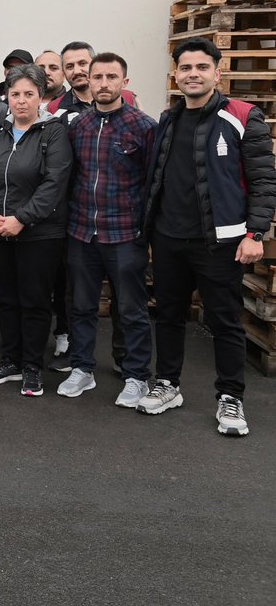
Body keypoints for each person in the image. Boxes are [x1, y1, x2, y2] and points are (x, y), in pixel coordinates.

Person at [139, 37, 276, 436]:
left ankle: (230, 398)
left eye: (201, 67)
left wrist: (255, 233)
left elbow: (264, 179)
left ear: (217, 72)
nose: (193, 74)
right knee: (168, 315)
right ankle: (168, 384)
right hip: (168, 238)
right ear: (176, 75)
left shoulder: (242, 115)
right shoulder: (168, 119)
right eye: (185, 68)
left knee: (224, 321)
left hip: (222, 242)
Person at [56, 53, 157, 407]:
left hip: (125, 234)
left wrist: (146, 232)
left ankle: (136, 376)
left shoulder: (143, 126)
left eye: (111, 77)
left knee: (131, 309)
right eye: (97, 76)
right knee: (81, 307)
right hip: (82, 232)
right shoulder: (78, 126)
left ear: (124, 83)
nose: (103, 83)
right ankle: (82, 369)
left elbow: (152, 184)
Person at [0, 64, 73, 396]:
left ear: (41, 97)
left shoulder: (53, 132)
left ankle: (32, 365)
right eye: (15, 94)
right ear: (6, 97)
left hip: (38, 234)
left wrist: (21, 219)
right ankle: (10, 360)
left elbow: (54, 183)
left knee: (34, 300)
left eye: (29, 94)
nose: (21, 101)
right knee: (5, 299)